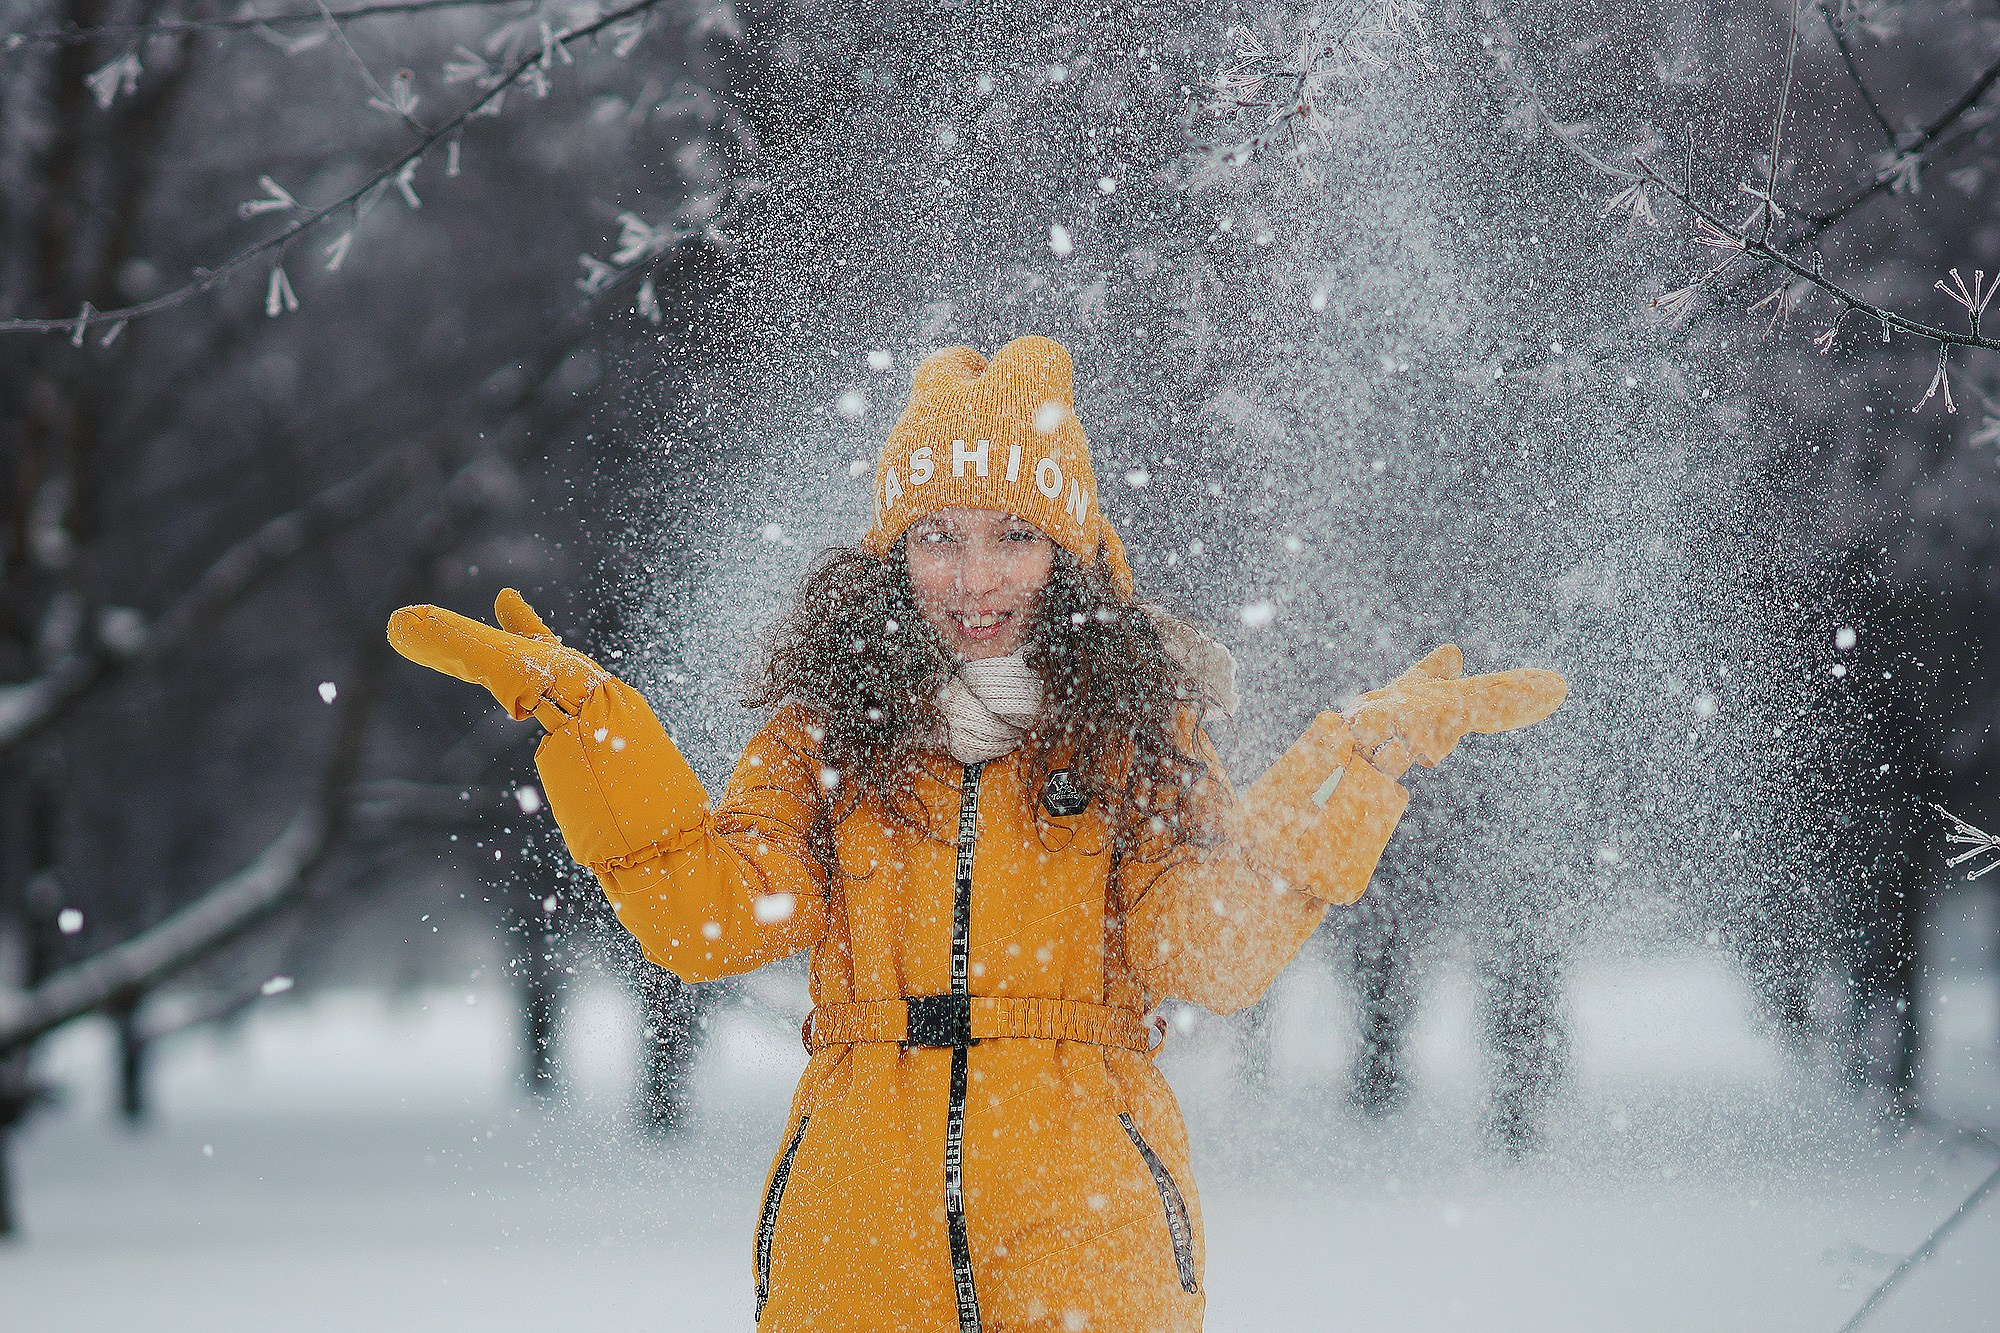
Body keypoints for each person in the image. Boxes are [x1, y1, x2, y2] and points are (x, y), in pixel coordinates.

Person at [388, 335, 1566, 1332]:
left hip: (1083, 1215)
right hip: (853, 1222)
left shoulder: (1130, 737)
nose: (973, 577)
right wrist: (593, 725)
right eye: (935, 534)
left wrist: (1349, 764)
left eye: (1013, 533)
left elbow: (1211, 949)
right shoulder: (819, 738)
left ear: (1069, 552)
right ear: (891, 553)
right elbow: (711, 919)